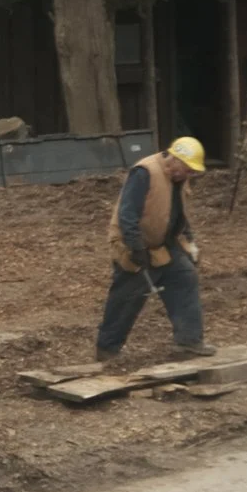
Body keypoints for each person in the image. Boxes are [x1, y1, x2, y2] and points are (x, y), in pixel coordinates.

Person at [95, 136, 212, 363]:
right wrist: (136, 247)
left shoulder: (177, 179)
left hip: (165, 245)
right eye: (187, 170)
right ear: (175, 159)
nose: (188, 175)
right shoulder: (144, 172)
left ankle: (188, 341)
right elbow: (127, 213)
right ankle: (107, 350)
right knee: (127, 297)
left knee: (185, 278)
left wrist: (189, 240)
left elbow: (179, 213)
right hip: (133, 244)